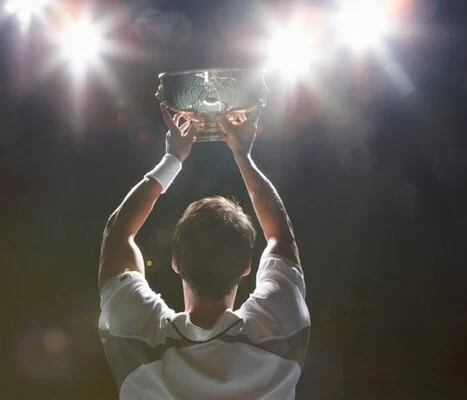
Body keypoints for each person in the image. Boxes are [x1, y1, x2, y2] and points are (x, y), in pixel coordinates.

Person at [98, 103, 310, 399]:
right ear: (246, 266)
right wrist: (243, 155)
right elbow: (280, 237)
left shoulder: (143, 338)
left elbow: (117, 233)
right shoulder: (277, 332)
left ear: (175, 261)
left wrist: (172, 159)